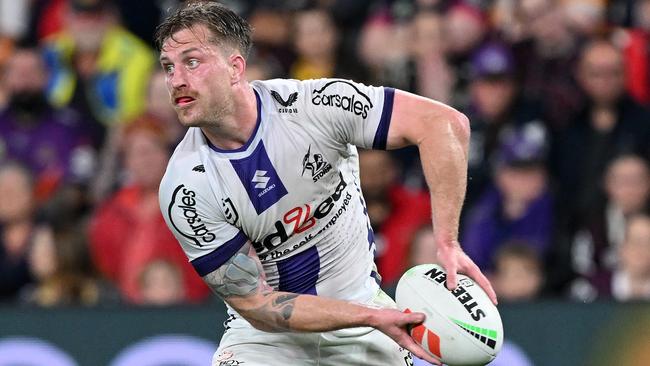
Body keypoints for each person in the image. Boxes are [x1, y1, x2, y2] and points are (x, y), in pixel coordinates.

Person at [155, 2, 496, 365]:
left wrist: (447, 241)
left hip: (369, 325)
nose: (176, 80)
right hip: (267, 341)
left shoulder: (315, 106)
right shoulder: (185, 191)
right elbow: (257, 305)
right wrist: (367, 315)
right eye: (168, 67)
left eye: (191, 62)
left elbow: (443, 124)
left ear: (235, 67)